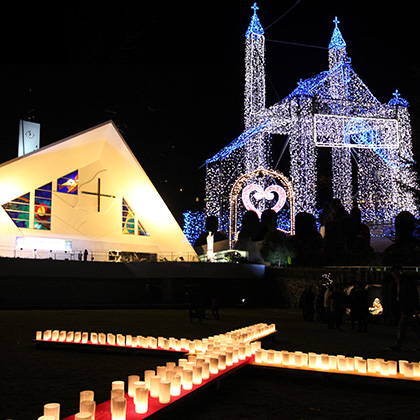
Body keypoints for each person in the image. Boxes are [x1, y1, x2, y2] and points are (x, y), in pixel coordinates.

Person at [387, 266, 420, 351]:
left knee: (403, 326)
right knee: (413, 327)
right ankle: (398, 345)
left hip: (408, 307)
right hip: (404, 307)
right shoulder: (397, 283)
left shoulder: (407, 282)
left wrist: (416, 308)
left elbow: (413, 294)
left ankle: (398, 345)